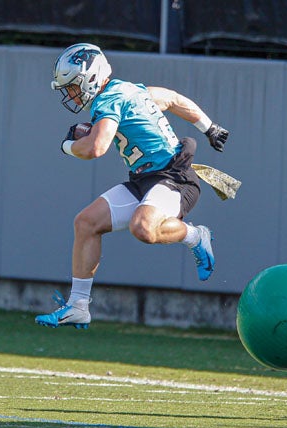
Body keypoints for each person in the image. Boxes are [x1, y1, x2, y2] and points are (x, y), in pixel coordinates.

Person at [35, 43, 229, 329]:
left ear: (91, 77)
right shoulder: (133, 90)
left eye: (73, 86)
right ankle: (77, 306)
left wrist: (67, 145)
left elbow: (96, 148)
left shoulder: (109, 99)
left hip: (175, 177)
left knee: (143, 228)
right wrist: (209, 127)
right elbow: (173, 99)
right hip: (145, 180)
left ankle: (195, 236)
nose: (72, 94)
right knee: (86, 223)